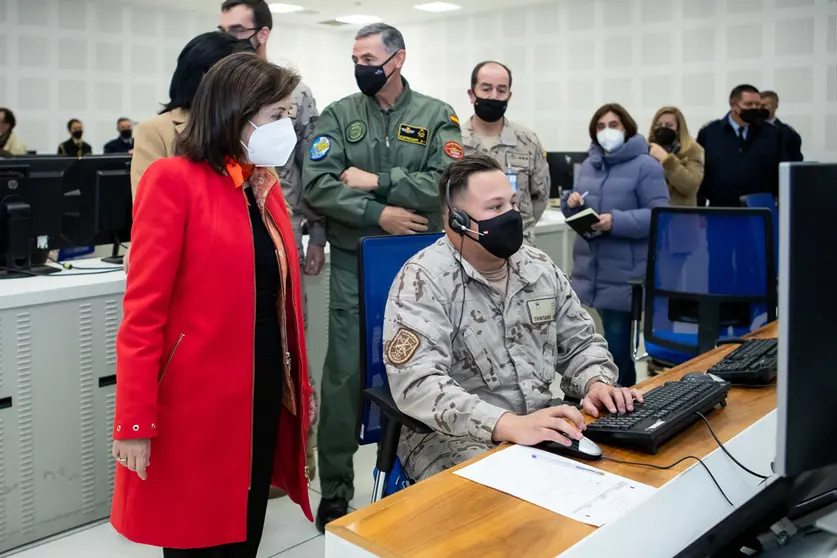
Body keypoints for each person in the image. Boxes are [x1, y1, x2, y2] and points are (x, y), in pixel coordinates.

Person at [110, 53, 312, 557]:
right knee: (194, 535)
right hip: (194, 398)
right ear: (235, 114)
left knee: (247, 526)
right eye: (276, 116)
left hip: (263, 382)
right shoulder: (172, 180)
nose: (286, 127)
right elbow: (142, 313)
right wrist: (134, 421)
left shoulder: (263, 186)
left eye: (290, 115)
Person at [382, 152, 639, 482]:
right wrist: (509, 425)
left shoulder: (537, 267)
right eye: (494, 208)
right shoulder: (423, 281)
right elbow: (418, 385)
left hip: (539, 422)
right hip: (452, 439)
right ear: (455, 220)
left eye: (513, 204)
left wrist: (596, 381)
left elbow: (581, 342)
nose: (510, 216)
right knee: (521, 514)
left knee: (621, 476)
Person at [302, 22, 463, 531]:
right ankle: (335, 491)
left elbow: (447, 180)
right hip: (357, 262)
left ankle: (436, 475)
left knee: (434, 367)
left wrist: (378, 182)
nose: (361, 66)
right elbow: (319, 186)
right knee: (346, 376)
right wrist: (380, 215)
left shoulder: (438, 116)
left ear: (397, 60)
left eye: (369, 56)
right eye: (356, 57)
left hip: (427, 265)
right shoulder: (338, 115)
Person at [219, 0, 323, 493]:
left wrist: (315, 236)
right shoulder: (221, 91)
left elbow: (312, 167)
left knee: (287, 351)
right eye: (223, 30)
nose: (229, 37)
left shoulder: (295, 94)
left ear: (262, 32)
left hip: (285, 235)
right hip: (237, 248)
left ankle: (288, 463)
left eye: (238, 29)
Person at [561, 103, 669, 387]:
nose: (606, 131)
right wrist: (570, 204)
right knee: (589, 352)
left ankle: (627, 404)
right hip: (589, 270)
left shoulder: (646, 165)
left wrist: (616, 222)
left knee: (618, 352)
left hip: (624, 275)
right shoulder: (589, 165)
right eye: (600, 126)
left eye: (613, 125)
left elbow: (660, 215)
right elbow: (578, 210)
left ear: (627, 128)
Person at [131, 31, 252, 197]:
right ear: (204, 77)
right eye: (236, 78)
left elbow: (278, 208)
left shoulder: (250, 127)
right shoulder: (155, 130)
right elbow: (150, 208)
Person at [461, 61, 550, 247]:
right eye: (486, 89)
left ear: (509, 96)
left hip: (519, 248)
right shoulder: (455, 142)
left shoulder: (528, 141)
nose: (493, 96)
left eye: (501, 90)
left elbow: (540, 197)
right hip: (469, 247)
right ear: (472, 94)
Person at [697, 84, 789, 207]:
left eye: (757, 104)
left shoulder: (773, 134)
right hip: (721, 210)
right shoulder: (710, 133)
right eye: (749, 104)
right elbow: (700, 172)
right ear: (733, 105)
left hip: (760, 211)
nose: (754, 108)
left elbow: (781, 174)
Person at [647, 106, 704, 206]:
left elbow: (690, 186)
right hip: (651, 214)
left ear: (678, 129)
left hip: (680, 217)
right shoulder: (647, 150)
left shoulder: (693, 150)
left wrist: (666, 160)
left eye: (669, 125)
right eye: (658, 125)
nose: (663, 128)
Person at [760, 90, 803, 162]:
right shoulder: (749, 130)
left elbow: (794, 161)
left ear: (775, 107)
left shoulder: (787, 133)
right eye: (758, 105)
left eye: (764, 105)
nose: (760, 108)